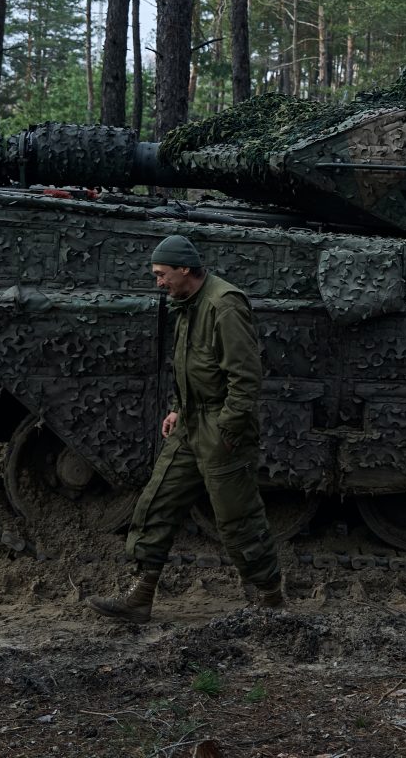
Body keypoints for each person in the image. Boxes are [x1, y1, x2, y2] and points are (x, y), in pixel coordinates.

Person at [86, 234, 285, 623]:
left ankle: (269, 599)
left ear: (184, 269)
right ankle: (139, 597)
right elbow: (190, 366)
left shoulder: (223, 305)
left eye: (162, 274)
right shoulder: (187, 304)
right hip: (191, 422)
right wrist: (178, 408)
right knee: (157, 503)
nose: (158, 282)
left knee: (237, 517)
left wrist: (227, 430)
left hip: (220, 427)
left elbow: (245, 379)